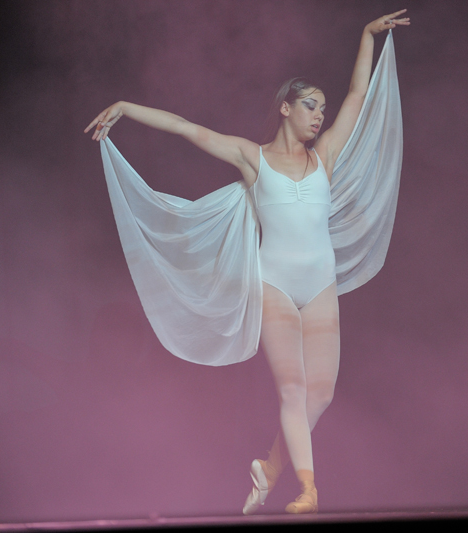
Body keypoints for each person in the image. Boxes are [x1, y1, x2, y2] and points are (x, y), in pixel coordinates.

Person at [85, 10, 408, 515]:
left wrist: (367, 35)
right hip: (275, 286)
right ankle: (308, 489)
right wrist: (126, 106)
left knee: (320, 396)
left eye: (322, 109)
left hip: (319, 286)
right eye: (310, 106)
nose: (319, 115)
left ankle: (269, 469)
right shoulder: (251, 157)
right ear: (285, 108)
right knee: (293, 389)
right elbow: (186, 127)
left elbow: (357, 96)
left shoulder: (325, 155)